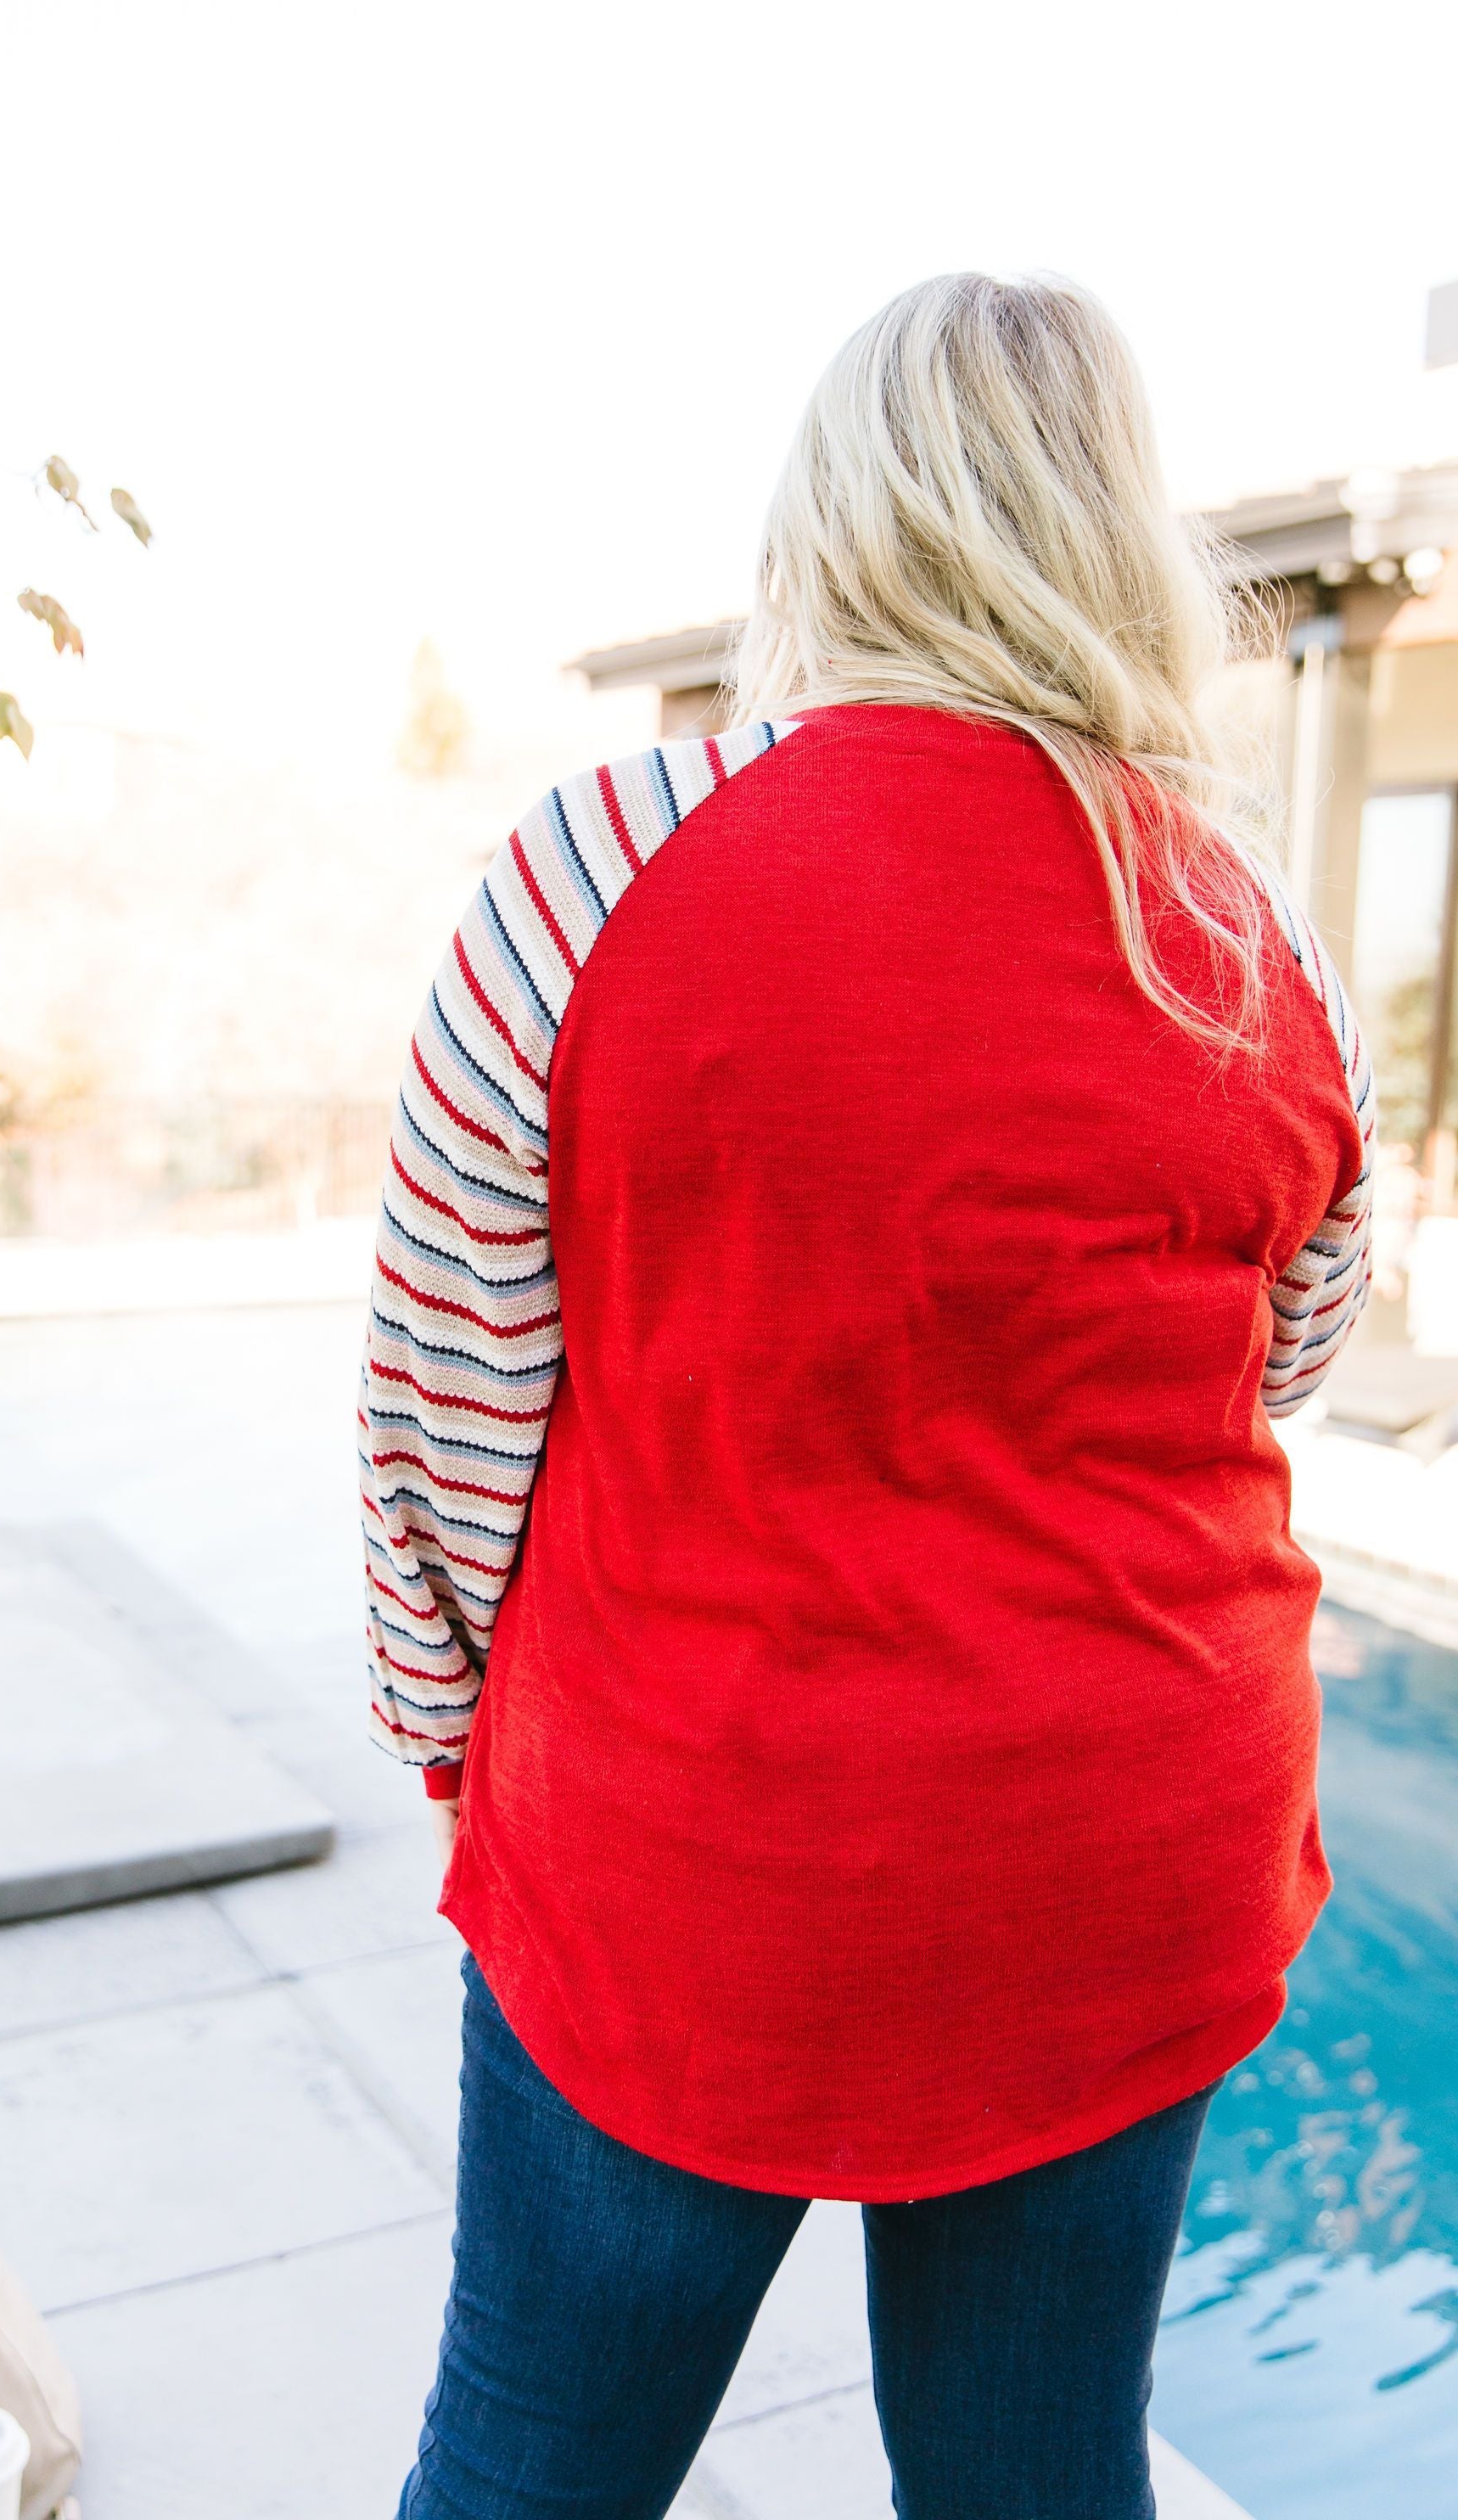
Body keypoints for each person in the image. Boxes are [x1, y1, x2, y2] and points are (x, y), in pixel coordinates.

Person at [355, 272, 1374, 2520]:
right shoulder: (1254, 944)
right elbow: (1282, 1351)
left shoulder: (596, 873)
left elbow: (446, 1410)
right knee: (1034, 2482)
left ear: (833, 519)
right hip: (1125, 1856)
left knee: (527, 2474)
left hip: (689, 1860)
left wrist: (461, 1749)